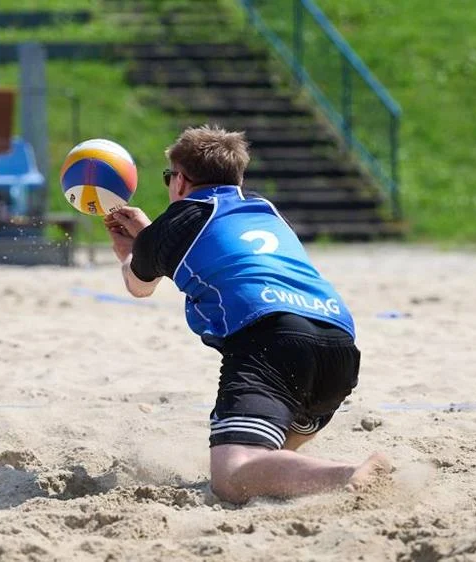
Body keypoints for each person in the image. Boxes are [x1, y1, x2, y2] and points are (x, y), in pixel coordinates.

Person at [104, 125, 390, 504]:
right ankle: (318, 472)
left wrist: (132, 251)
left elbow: (139, 286)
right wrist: (150, 238)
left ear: (181, 181)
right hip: (338, 344)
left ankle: (350, 474)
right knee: (266, 457)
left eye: (168, 177)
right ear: (237, 179)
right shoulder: (264, 209)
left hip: (271, 341)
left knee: (231, 476)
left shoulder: (177, 221)